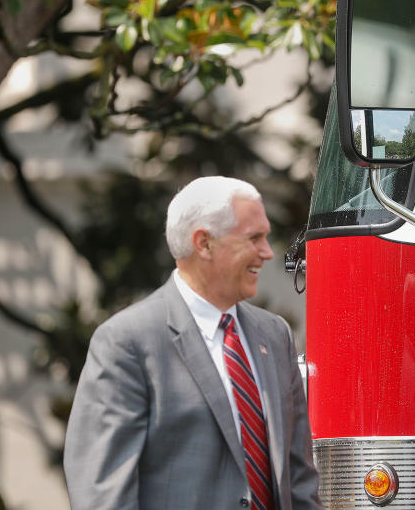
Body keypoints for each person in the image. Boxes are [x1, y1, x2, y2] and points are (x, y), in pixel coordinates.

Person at [64, 176, 322, 510]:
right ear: (203, 243)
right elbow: (103, 494)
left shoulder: (275, 335)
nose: (268, 252)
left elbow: (299, 481)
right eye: (254, 238)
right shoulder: (126, 342)